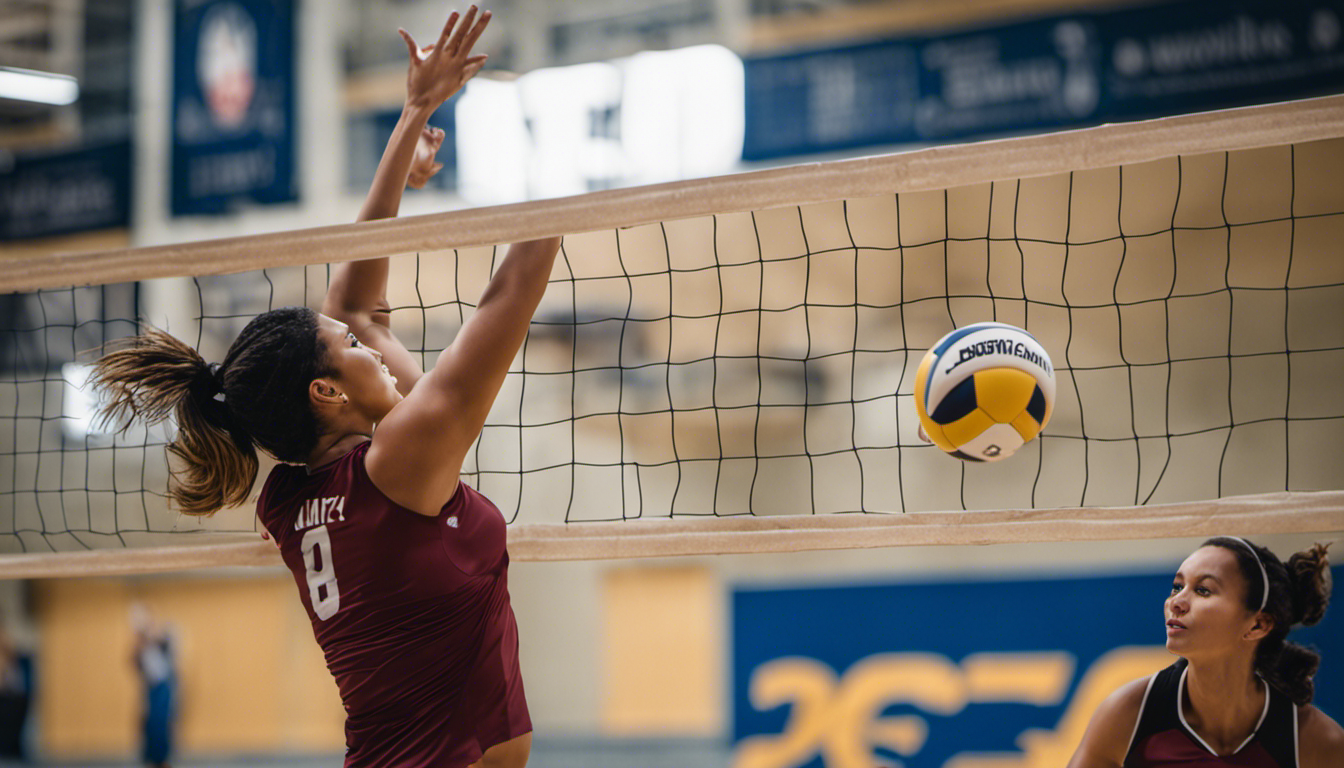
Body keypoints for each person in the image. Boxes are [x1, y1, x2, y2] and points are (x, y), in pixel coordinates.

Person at [91, 6, 559, 767]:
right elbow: (519, 277)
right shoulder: (400, 461)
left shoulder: (295, 498)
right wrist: (546, 150)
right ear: (326, 395)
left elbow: (352, 308)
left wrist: (413, 114)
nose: (369, 342)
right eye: (351, 350)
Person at [1066, 537, 1343, 768]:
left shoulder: (1314, 740)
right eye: (1177, 586)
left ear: (1257, 624)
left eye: (1203, 590)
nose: (1177, 602)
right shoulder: (1128, 713)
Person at [131, 604, 177, 768]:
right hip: (150, 687)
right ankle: (151, 757)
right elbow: (133, 663)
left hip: (162, 685)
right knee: (149, 723)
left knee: (160, 722)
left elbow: (164, 642)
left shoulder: (159, 635)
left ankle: (161, 759)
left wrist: (148, 635)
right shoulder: (139, 645)